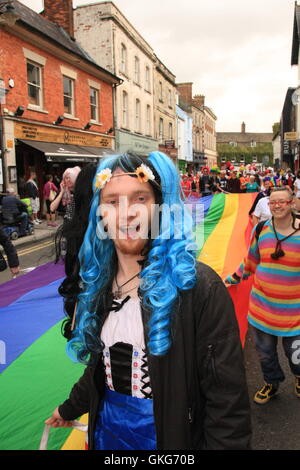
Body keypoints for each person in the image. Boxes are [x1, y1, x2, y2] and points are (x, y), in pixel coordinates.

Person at [45, 151, 251, 450]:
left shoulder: (198, 287)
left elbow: (227, 404)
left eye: (139, 198)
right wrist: (68, 409)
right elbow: (100, 367)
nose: (125, 213)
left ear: (160, 207)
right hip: (108, 434)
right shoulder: (97, 283)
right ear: (99, 213)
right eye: (112, 201)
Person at [225, 186, 300, 404]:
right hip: (261, 310)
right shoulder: (261, 230)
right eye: (272, 202)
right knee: (266, 354)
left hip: (294, 314)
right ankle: (272, 383)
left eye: (281, 201)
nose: (276, 206)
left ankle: (298, 377)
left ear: (292, 203)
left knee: (296, 357)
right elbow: (251, 261)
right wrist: (233, 278)